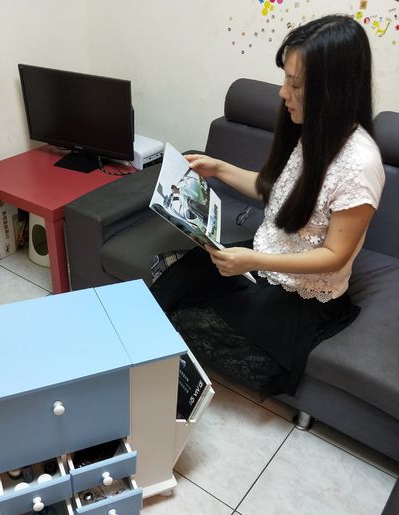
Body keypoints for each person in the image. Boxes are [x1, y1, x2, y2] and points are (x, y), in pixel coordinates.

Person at [150, 14, 385, 398]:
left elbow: (335, 255)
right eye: (285, 79)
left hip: (300, 294)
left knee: (192, 323)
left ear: (333, 89)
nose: (282, 93)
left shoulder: (360, 165)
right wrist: (219, 168)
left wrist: (252, 261)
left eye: (295, 84)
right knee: (173, 284)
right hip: (266, 261)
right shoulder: (315, 131)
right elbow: (279, 191)